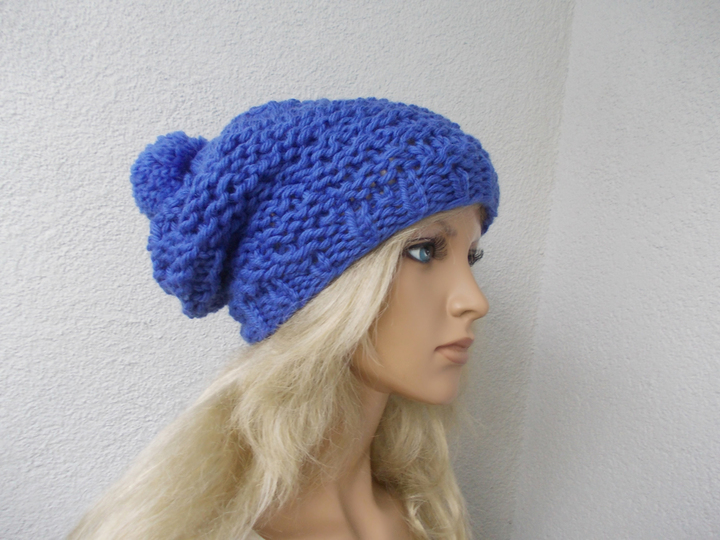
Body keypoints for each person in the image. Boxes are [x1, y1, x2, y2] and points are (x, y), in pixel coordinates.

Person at [69, 98, 499, 540]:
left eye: (470, 257)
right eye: (424, 251)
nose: (475, 301)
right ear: (319, 292)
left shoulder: (425, 514)